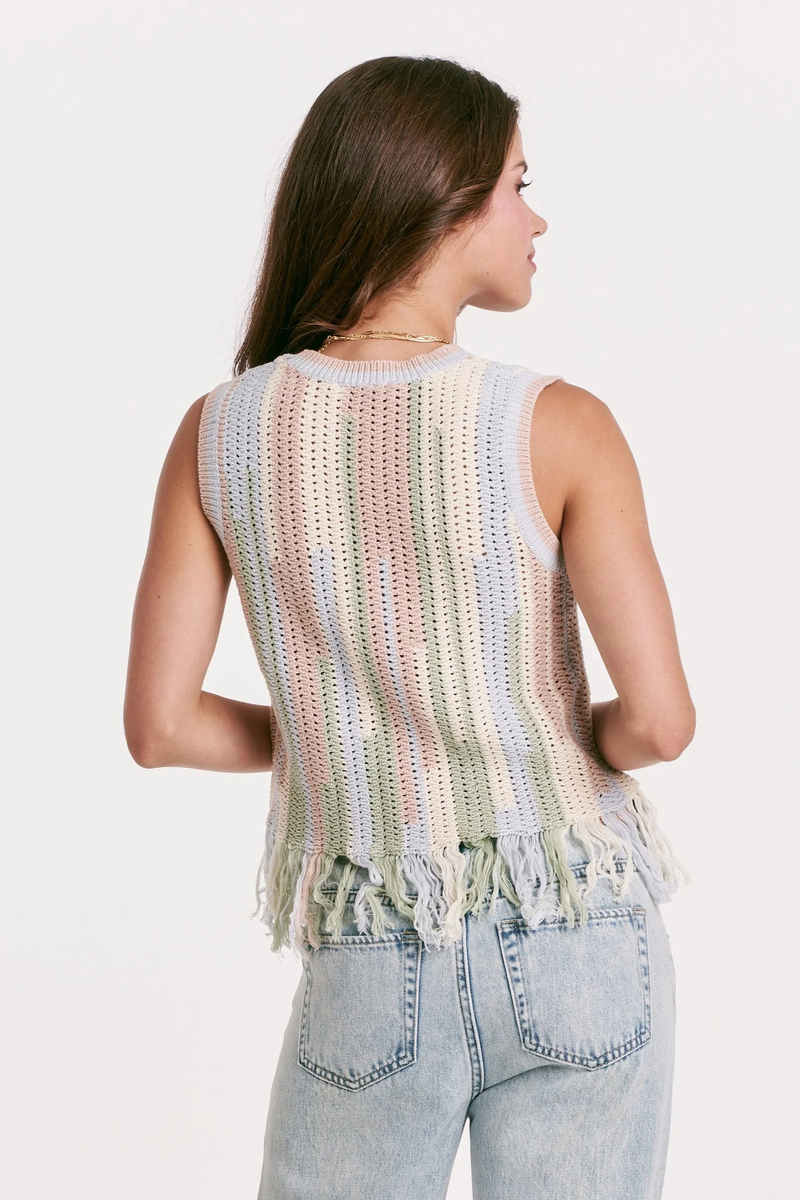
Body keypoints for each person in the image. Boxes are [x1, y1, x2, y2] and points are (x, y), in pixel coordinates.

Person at [124, 54, 695, 1200]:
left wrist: (357, 738)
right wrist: (519, 739)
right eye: (517, 185)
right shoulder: (557, 425)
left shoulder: (220, 433)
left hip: (370, 947)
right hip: (576, 924)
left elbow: (160, 726)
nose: (535, 218)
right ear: (444, 196)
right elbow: (659, 725)